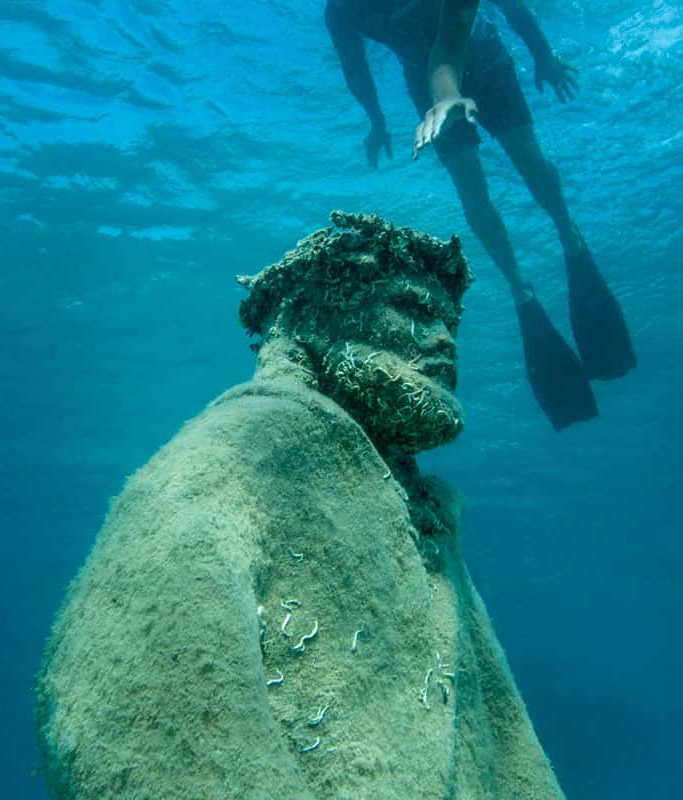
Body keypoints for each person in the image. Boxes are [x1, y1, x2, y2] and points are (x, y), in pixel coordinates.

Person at [34, 212, 568, 799]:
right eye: (414, 309)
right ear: (308, 316)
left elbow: (501, 729)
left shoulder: (417, 508)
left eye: (450, 321)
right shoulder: (236, 456)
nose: (444, 337)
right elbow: (123, 714)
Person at [326, 0, 636, 430]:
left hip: (485, 58)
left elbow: (496, 12)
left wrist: (542, 54)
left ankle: (569, 236)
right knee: (471, 187)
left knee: (529, 160)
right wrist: (376, 120)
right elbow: (354, 66)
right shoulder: (342, 10)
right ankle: (519, 288)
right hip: (425, 79)